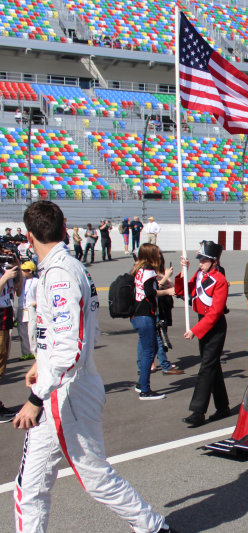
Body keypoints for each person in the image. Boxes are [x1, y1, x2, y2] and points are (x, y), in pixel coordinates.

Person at [12, 201, 174, 532]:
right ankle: (152, 526)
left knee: (84, 479)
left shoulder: (58, 273)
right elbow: (77, 332)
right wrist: (41, 364)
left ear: (29, 237)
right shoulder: (71, 267)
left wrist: (36, 396)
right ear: (63, 226)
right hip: (67, 383)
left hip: (63, 391)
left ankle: (153, 526)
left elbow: (70, 345)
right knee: (36, 485)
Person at [173, 241, 230, 428]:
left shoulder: (220, 280)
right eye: (200, 260)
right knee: (212, 366)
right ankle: (223, 407)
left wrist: (195, 330)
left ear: (214, 261)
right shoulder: (198, 274)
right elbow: (182, 291)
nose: (200, 263)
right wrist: (184, 272)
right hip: (202, 322)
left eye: (204, 260)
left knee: (206, 367)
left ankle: (198, 412)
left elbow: (215, 312)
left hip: (214, 326)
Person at [131, 243, 172, 400]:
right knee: (149, 350)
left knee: (151, 348)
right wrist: (167, 291)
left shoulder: (138, 269)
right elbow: (150, 292)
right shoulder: (148, 270)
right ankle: (145, 390)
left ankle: (142, 384)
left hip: (138, 314)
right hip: (144, 314)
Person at [152, 250, 183, 375]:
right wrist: (165, 278)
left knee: (160, 336)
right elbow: (155, 288)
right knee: (159, 336)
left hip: (164, 306)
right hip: (156, 307)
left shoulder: (162, 272)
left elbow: (173, 286)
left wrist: (170, 276)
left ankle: (155, 362)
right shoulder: (151, 273)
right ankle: (163, 364)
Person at [0, 251, 21, 421]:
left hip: (6, 317)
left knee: (2, 362)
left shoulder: (6, 269)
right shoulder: (4, 274)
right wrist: (5, 277)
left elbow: (19, 290)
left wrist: (17, 267)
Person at [16, 260, 38, 361]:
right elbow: (18, 292)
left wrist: (36, 302)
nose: (22, 272)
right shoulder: (21, 280)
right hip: (21, 308)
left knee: (32, 331)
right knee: (22, 332)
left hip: (31, 308)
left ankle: (35, 351)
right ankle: (26, 352)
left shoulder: (36, 281)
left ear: (30, 271)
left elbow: (40, 294)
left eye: (24, 270)